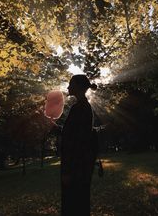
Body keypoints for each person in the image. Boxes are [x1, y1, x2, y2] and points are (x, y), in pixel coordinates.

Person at [60, 74, 97, 216]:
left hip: (76, 170)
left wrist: (68, 171)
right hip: (78, 168)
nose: (68, 87)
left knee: (74, 206)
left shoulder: (80, 108)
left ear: (78, 87)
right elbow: (73, 135)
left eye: (71, 84)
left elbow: (77, 143)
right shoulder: (82, 107)